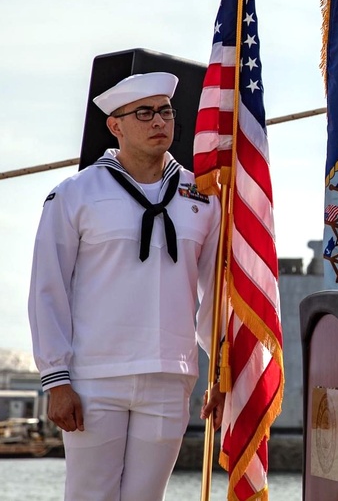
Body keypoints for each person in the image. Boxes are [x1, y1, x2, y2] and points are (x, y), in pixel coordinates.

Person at [28, 71, 225, 501]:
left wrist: (223, 370)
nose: (159, 121)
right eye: (144, 113)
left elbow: (216, 291)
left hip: (170, 375)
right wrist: (55, 378)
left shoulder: (205, 196)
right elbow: (48, 290)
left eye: (166, 111)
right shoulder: (75, 194)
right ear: (115, 126)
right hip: (94, 377)